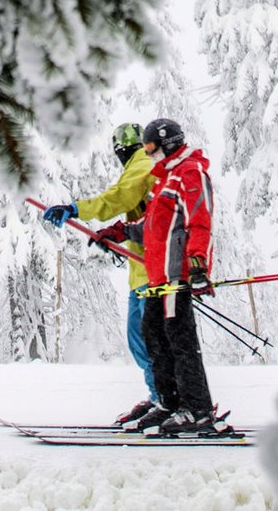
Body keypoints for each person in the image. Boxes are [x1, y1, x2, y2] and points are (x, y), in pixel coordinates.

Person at [93, 117, 220, 436]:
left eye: (151, 147)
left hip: (177, 273)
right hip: (157, 276)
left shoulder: (190, 173)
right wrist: (119, 231)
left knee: (180, 341)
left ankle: (198, 409)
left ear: (169, 144)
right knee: (153, 334)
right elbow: (152, 226)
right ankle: (169, 402)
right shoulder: (166, 178)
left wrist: (197, 263)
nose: (147, 154)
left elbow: (199, 222)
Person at [42, 122, 158, 424]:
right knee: (139, 338)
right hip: (141, 271)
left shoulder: (142, 164)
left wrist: (76, 208)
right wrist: (116, 234)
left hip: (153, 271)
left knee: (149, 338)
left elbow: (120, 197)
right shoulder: (139, 163)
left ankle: (167, 399)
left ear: (122, 149)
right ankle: (159, 396)